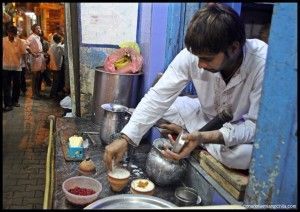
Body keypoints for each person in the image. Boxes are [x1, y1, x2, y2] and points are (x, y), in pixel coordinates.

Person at [104, 3, 268, 171]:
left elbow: (255, 126)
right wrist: (125, 138)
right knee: (159, 111)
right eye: (197, 57)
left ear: (233, 48)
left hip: (236, 127)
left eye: (208, 59)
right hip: (204, 116)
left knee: (239, 155)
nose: (200, 64)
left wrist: (204, 137)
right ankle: (192, 136)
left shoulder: (263, 62)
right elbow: (158, 96)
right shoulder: (192, 56)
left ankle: (192, 138)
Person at [2, 25, 28, 111]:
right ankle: (7, 104)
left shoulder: (19, 41)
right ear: (7, 33)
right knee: (6, 87)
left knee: (17, 85)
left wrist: (26, 64)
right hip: (5, 67)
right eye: (10, 33)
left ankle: (15, 101)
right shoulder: (3, 41)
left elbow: (24, 53)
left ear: (15, 33)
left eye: (13, 34)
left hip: (17, 67)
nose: (11, 35)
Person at [26, 24, 44, 100]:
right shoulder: (31, 37)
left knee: (38, 76)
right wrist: (32, 53)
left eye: (39, 28)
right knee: (35, 76)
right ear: (34, 30)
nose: (39, 30)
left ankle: (37, 92)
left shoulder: (38, 37)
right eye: (37, 28)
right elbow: (26, 45)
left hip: (40, 57)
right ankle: (34, 94)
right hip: (35, 58)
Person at [48, 33, 64, 99]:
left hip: (53, 65)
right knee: (56, 81)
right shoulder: (60, 47)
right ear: (60, 39)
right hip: (57, 66)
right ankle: (53, 94)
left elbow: (48, 53)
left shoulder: (52, 46)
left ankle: (54, 93)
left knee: (55, 80)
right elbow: (64, 54)